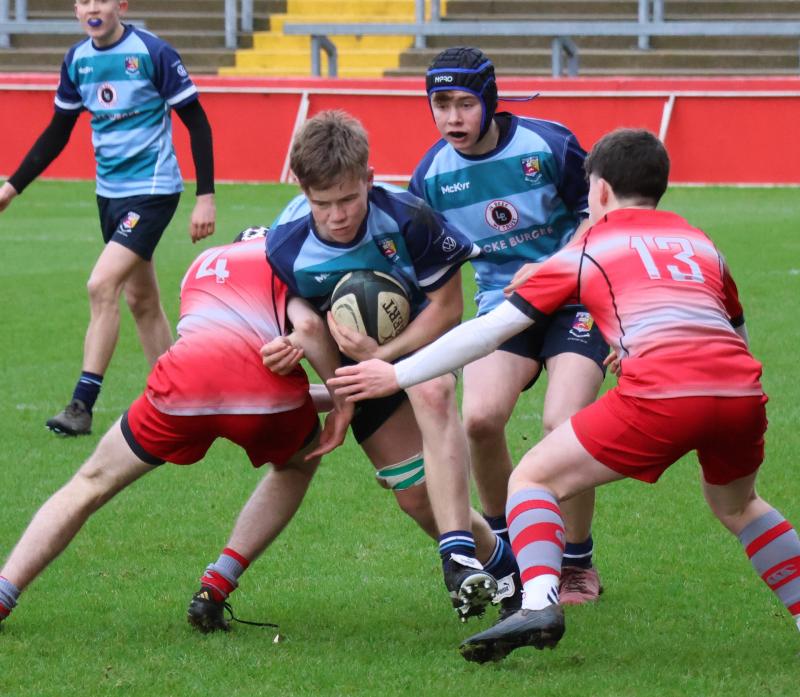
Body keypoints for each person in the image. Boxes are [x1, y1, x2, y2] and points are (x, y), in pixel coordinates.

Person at [329, 128, 800, 662]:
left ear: (598, 191)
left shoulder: (587, 250)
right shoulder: (700, 244)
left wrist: (397, 374)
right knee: (738, 505)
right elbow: (730, 331)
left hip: (664, 394)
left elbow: (488, 331)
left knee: (533, 478)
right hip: (739, 391)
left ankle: (538, 601)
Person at [0, 229, 352, 632]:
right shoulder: (282, 259)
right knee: (293, 467)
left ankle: (3, 594)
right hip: (266, 397)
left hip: (182, 387)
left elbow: (218, 371)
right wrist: (345, 399)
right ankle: (215, 586)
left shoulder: (200, 266)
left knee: (89, 482)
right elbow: (306, 331)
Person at [262, 109, 518, 622]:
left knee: (432, 391)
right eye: (322, 204)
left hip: (423, 343)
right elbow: (308, 325)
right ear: (302, 191)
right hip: (354, 367)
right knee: (416, 500)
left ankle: (455, 555)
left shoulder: (408, 218)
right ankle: (503, 568)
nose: (337, 215)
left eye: (348, 199)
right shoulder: (286, 245)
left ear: (369, 179)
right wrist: (333, 387)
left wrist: (385, 355)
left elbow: (448, 309)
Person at [408, 46, 608, 604]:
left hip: (576, 299)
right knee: (479, 420)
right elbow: (424, 265)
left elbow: (600, 216)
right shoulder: (430, 177)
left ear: (490, 101)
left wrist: (553, 267)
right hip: (505, 307)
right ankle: (505, 549)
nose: (452, 118)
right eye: (440, 104)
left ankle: (576, 560)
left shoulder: (549, 144)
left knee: (562, 423)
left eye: (464, 103)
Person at [0, 0, 216, 436]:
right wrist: (11, 187)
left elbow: (197, 123)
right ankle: (180, 398)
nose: (92, 8)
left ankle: (82, 405)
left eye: (101, 0)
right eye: (83, 1)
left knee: (101, 285)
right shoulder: (77, 60)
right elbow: (58, 131)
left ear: (121, 5)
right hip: (110, 195)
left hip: (153, 191)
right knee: (142, 301)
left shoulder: (154, 53)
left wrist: (205, 197)